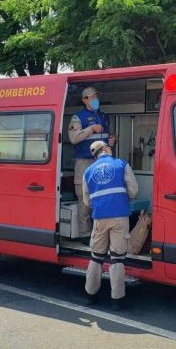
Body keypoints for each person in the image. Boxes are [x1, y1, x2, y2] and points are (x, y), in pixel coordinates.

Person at [82, 140, 138, 310]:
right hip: (120, 217)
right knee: (117, 259)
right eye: (109, 146)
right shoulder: (121, 164)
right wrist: (123, 200)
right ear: (105, 149)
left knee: (96, 257)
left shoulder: (88, 171)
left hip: (100, 218)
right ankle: (117, 300)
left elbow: (87, 201)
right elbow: (133, 190)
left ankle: (90, 296)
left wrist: (101, 205)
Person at [68, 87, 115, 241]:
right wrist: (90, 129)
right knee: (84, 197)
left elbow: (108, 136)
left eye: (96, 96)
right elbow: (74, 138)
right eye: (92, 97)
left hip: (102, 161)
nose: (95, 99)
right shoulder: (78, 117)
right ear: (85, 100)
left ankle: (99, 233)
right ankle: (84, 234)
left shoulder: (103, 116)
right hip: (85, 162)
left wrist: (112, 141)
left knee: (101, 196)